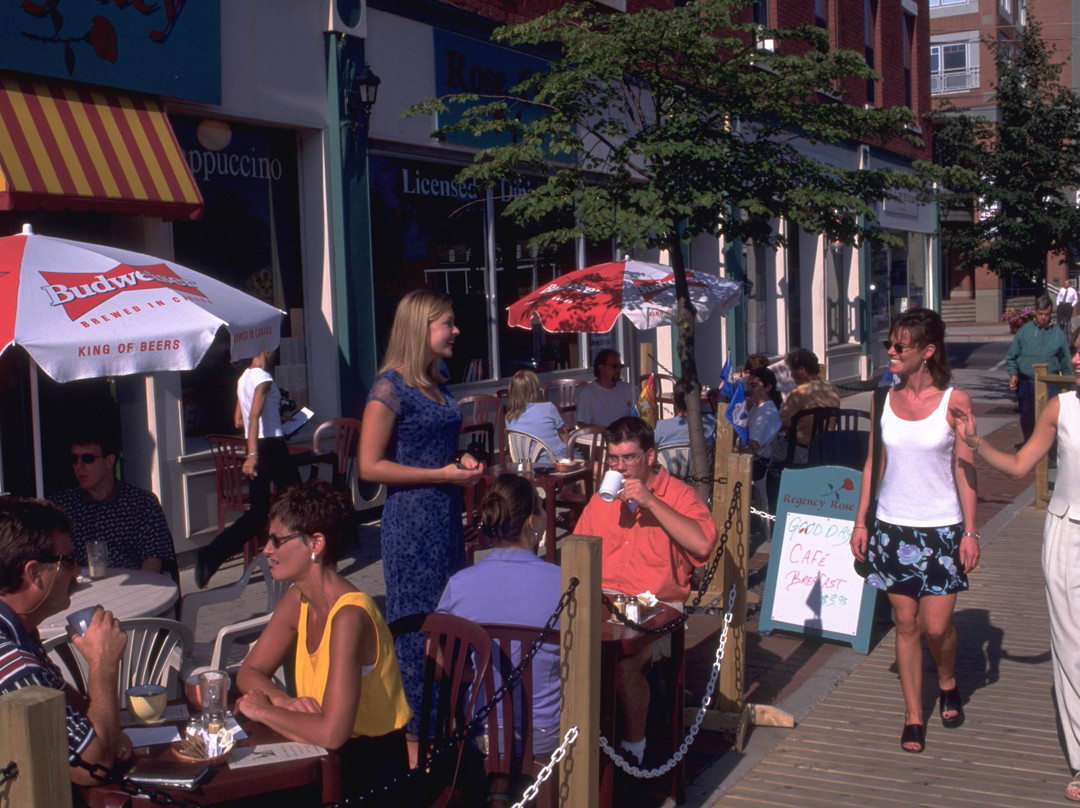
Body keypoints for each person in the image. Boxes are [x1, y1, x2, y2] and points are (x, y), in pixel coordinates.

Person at [950, 327, 1080, 800]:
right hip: (1068, 536)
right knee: (1071, 648)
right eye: (1078, 349)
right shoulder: (1061, 407)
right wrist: (975, 442)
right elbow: (1021, 465)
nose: (1079, 358)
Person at [849, 308, 979, 755]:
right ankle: (913, 715)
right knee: (905, 623)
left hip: (942, 530)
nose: (890, 352)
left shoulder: (955, 401)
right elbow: (873, 463)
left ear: (927, 352)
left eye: (899, 346)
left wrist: (971, 532)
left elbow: (966, 472)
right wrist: (861, 520)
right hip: (892, 529)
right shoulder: (881, 398)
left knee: (937, 628)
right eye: (889, 343)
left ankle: (946, 679)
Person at [358, 289, 484, 750]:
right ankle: (416, 743)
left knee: (450, 623)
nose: (455, 331)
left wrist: (462, 461)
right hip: (412, 524)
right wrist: (440, 473)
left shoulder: (438, 381)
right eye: (447, 323)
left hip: (446, 516)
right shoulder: (389, 387)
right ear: (421, 328)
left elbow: (436, 447)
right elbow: (369, 467)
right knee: (416, 631)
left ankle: (444, 728)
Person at [237, 481, 411, 802]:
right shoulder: (296, 600)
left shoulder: (349, 618)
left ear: (316, 543)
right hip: (322, 756)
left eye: (277, 540)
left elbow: (332, 732)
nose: (266, 550)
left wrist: (263, 710)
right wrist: (283, 701)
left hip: (369, 776)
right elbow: (249, 672)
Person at [573, 416, 717, 766]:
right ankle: (571, 740)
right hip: (605, 599)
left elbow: (702, 546)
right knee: (562, 650)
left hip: (657, 605)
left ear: (650, 456)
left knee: (625, 661)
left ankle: (632, 748)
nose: (621, 467)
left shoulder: (679, 495)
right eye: (614, 459)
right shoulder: (603, 498)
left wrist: (652, 502)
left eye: (629, 458)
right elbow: (577, 549)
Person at [0, 497, 133, 786]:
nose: (78, 572)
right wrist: (103, 663)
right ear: (34, 573)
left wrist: (105, 732)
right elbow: (93, 767)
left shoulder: (18, 635)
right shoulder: (14, 663)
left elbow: (73, 715)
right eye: (69, 561)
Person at [436, 474, 563, 756]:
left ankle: (497, 791)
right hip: (544, 735)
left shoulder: (460, 583)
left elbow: (435, 654)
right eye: (541, 508)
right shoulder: (562, 582)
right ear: (532, 523)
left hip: (482, 730)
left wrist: (470, 675)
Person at [196, 348, 301, 588]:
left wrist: (270, 421)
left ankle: (211, 555)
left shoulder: (243, 378)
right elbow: (253, 417)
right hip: (270, 446)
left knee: (257, 512)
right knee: (299, 500)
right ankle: (302, 559)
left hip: (260, 445)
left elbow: (238, 420)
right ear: (265, 349)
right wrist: (253, 455)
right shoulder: (263, 378)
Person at [49, 429, 175, 574]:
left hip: (133, 587)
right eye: (74, 459)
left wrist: (137, 592)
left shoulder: (141, 503)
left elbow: (153, 561)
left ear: (109, 461)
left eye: (88, 458)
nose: (79, 466)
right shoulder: (61, 505)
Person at [1006, 295, 1070, 442]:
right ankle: (1029, 449)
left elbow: (1066, 361)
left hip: (1050, 383)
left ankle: (1048, 452)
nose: (1043, 317)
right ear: (1035, 312)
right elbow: (1012, 356)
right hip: (1026, 383)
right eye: (1040, 314)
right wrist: (1013, 373)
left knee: (1049, 419)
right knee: (1027, 417)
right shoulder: (1024, 331)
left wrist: (1070, 385)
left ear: (1050, 314)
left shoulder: (1057, 334)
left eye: (1046, 314)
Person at [777, 348, 841, 455]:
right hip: (827, 445)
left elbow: (781, 424)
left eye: (792, 370)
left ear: (802, 370)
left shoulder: (800, 392)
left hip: (802, 448)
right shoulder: (832, 388)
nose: (791, 374)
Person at [504, 370, 569, 464]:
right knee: (591, 465)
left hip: (526, 466)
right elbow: (565, 436)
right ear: (535, 390)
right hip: (556, 460)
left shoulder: (509, 418)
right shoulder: (548, 408)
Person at [575, 349, 635, 429]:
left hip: (625, 438)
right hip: (599, 439)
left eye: (620, 366)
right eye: (615, 366)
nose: (618, 370)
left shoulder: (629, 389)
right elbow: (582, 425)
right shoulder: (588, 393)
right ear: (601, 368)